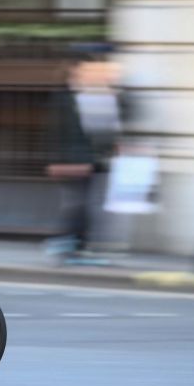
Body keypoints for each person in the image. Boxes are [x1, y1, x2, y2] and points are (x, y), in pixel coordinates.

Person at [45, 52, 124, 264]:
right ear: (76, 70)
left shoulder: (97, 94)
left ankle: (78, 246)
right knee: (79, 204)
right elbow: (59, 132)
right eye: (87, 69)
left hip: (95, 161)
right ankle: (65, 245)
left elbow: (102, 129)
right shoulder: (65, 97)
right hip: (74, 161)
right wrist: (59, 161)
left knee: (90, 204)